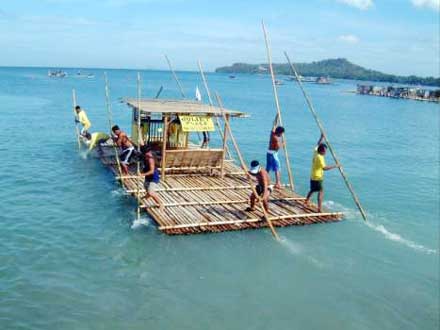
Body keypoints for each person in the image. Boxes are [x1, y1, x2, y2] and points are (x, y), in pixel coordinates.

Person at [305, 134, 340, 212]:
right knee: (321, 192)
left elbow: (317, 144)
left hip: (312, 176)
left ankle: (306, 200)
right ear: (321, 151)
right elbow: (324, 168)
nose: (325, 153)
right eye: (324, 151)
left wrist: (321, 137)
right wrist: (336, 166)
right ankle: (319, 208)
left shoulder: (315, 152)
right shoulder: (320, 158)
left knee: (312, 189)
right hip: (318, 177)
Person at [140, 145, 164, 211]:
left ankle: (160, 204)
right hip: (148, 177)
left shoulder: (151, 159)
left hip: (153, 178)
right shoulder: (146, 156)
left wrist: (142, 174)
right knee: (146, 187)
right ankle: (147, 196)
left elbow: (152, 171)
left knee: (151, 192)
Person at [266, 114, 284, 189]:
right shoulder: (276, 139)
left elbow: (274, 124)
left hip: (268, 153)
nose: (282, 135)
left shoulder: (272, 133)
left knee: (268, 167)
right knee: (277, 168)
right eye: (282, 133)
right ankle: (278, 183)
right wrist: (283, 144)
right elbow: (277, 148)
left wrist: (276, 117)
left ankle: (263, 178)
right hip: (273, 154)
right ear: (279, 132)